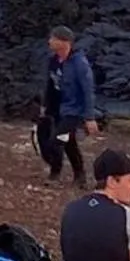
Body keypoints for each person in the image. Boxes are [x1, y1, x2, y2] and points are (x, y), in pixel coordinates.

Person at [37, 25, 97, 187]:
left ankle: (55, 174)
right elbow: (49, 85)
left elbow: (87, 91)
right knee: (68, 142)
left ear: (64, 42)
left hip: (73, 110)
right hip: (58, 108)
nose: (50, 41)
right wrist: (45, 106)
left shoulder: (79, 64)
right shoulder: (53, 61)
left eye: (53, 38)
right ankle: (80, 176)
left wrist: (89, 117)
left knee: (57, 139)